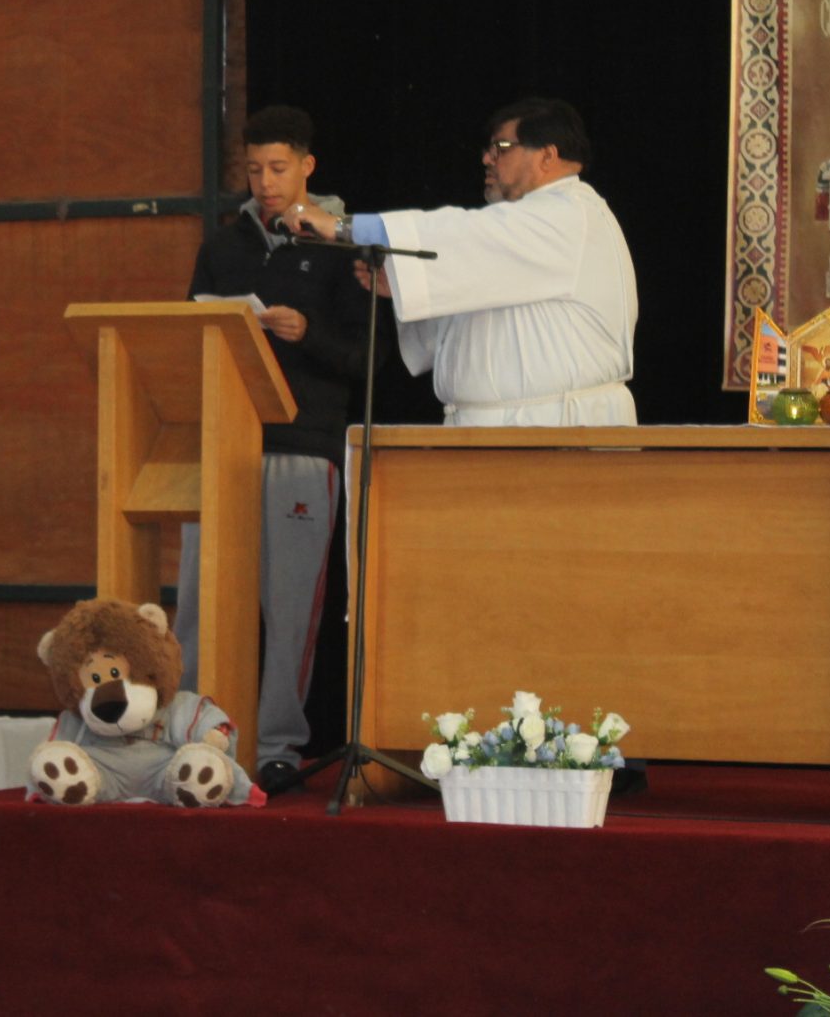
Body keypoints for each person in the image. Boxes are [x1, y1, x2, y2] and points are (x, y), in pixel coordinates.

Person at [177, 105, 369, 794]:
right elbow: (189, 333)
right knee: (199, 601)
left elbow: (365, 357)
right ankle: (193, 733)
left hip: (302, 446)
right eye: (254, 168)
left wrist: (306, 333)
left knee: (291, 608)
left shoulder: (344, 246)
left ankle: (278, 744)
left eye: (279, 167)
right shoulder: (223, 247)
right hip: (222, 441)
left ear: (308, 166)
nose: (265, 181)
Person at [284, 96, 636, 426]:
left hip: (557, 426)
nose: (487, 159)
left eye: (501, 148)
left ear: (547, 156)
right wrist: (406, 281)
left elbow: (460, 230)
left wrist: (343, 227)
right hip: (496, 427)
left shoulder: (566, 214)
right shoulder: (527, 225)